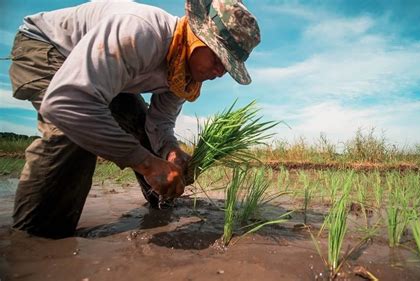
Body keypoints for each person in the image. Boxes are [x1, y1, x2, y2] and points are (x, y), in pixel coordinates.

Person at [8, 0, 260, 238]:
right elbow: (67, 103)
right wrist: (147, 164)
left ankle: (162, 205)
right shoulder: (141, 32)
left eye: (227, 67)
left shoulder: (183, 76)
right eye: (218, 58)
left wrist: (170, 150)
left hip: (103, 77)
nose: (220, 72)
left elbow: (159, 124)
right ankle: (33, 240)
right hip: (48, 47)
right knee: (74, 133)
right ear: (197, 36)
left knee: (143, 133)